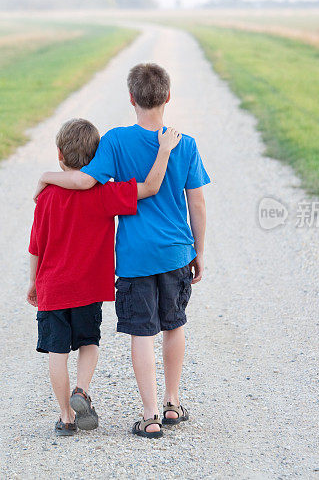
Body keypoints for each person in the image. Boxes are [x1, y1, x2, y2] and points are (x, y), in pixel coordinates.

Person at [35, 63, 210, 438]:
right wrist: (199, 250)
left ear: (131, 98)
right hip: (177, 252)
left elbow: (83, 181)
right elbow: (197, 204)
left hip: (135, 258)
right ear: (167, 97)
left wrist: (45, 177)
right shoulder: (186, 144)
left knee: (142, 334)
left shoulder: (114, 141)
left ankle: (149, 416)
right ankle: (173, 403)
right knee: (174, 325)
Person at [28, 117, 181, 436]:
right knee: (89, 342)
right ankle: (82, 389)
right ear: (97, 158)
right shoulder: (104, 193)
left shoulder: (46, 197)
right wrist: (164, 150)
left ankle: (67, 417)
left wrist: (33, 283)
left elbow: (36, 246)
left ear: (59, 154)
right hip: (88, 289)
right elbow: (150, 187)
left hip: (53, 289)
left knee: (57, 352)